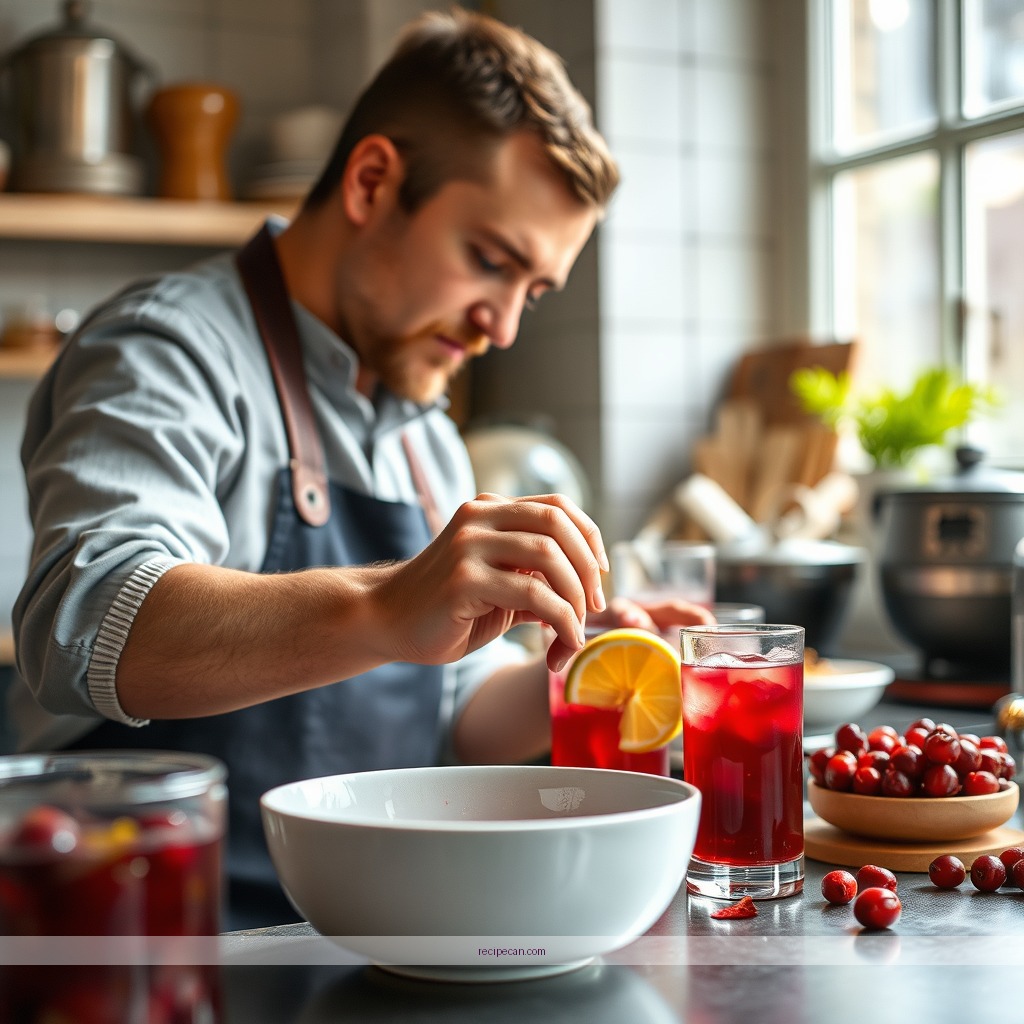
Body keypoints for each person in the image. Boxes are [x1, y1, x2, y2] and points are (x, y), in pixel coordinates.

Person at [11, 7, 711, 928]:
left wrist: (576, 672)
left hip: (361, 939)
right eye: (489, 261)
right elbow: (82, 618)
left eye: (531, 291)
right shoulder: (167, 351)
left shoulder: (425, 433)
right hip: (160, 943)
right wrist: (385, 606)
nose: (501, 325)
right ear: (374, 181)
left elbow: (451, 705)